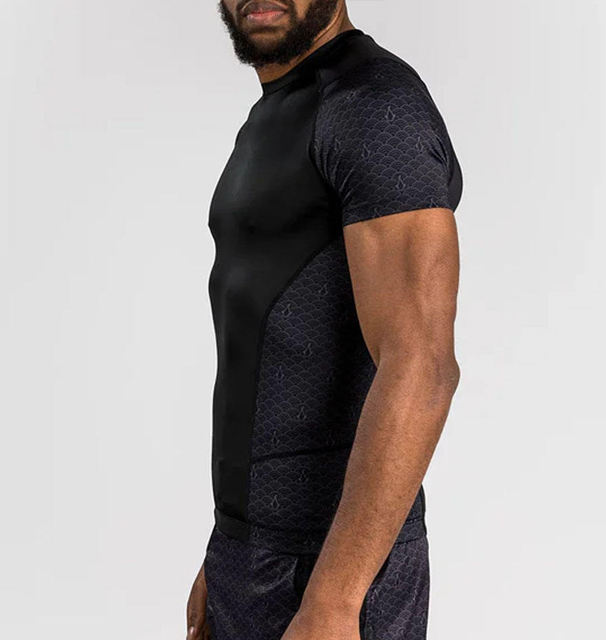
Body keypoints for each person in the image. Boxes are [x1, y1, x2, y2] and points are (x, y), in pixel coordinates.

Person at [187, 1, 463, 638]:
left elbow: (422, 368)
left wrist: (335, 600)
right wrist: (227, 547)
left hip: (330, 574)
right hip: (255, 554)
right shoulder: (281, 109)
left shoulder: (374, 107)